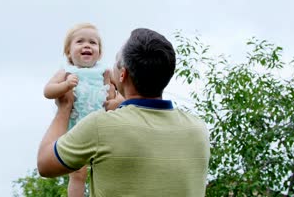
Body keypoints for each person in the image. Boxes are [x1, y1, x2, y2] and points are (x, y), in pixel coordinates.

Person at [38, 28, 210, 197]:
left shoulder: (100, 126)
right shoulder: (198, 130)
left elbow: (44, 165)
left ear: (122, 74)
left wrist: (64, 108)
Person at [43, 23, 124, 197]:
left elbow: (124, 93)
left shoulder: (105, 72)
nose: (87, 45)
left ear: (100, 52)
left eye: (93, 43)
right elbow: (48, 91)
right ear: (68, 52)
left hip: (103, 129)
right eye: (80, 41)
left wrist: (117, 101)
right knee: (78, 174)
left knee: (105, 168)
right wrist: (65, 85)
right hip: (75, 129)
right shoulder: (66, 72)